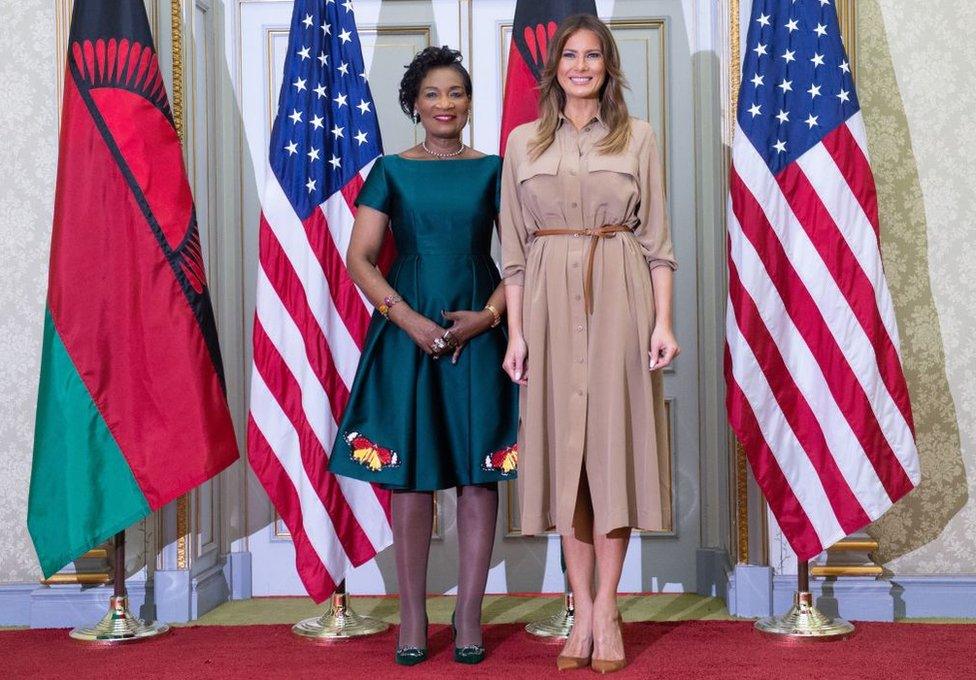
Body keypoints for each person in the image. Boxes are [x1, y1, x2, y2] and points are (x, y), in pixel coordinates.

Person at [499, 14, 680, 674]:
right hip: (545, 309)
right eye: (570, 55)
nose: (581, 66)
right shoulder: (521, 143)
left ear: (608, 66)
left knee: (613, 456)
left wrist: (662, 324)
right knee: (565, 463)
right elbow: (513, 255)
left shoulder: (641, 137)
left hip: (621, 300)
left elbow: (659, 243)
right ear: (554, 68)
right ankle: (579, 607)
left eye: (593, 56)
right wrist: (515, 335)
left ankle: (607, 608)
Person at [328, 46, 518, 666]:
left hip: (479, 333)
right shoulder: (390, 169)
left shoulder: (494, 169)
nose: (445, 104)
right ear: (414, 103)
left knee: (476, 474)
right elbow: (360, 257)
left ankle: (468, 613)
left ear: (468, 102)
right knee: (409, 478)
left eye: (456, 93)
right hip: (407, 338)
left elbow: (519, 259)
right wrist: (408, 320)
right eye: (432, 94)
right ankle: (413, 611)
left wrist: (488, 318)